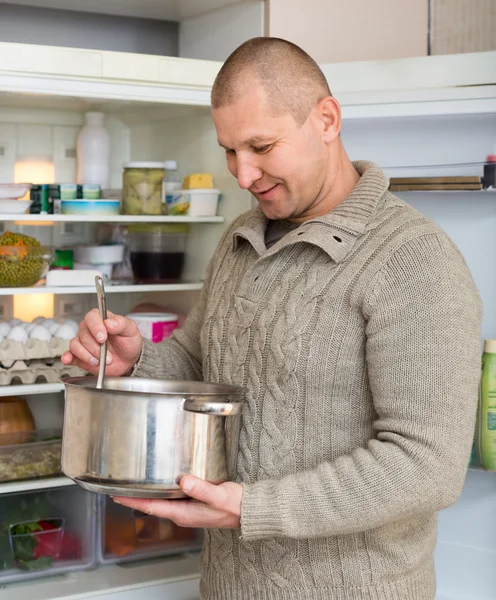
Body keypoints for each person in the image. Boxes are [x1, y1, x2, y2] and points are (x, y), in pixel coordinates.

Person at [62, 37, 482, 600]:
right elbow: (198, 359)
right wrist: (136, 359)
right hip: (229, 586)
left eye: (261, 146)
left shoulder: (412, 261)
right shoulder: (241, 239)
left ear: (326, 119)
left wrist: (254, 508)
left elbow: (426, 463)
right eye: (230, 151)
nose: (243, 173)